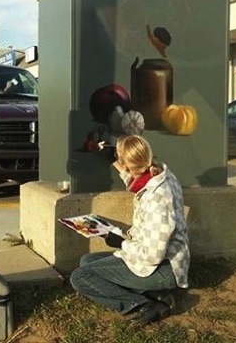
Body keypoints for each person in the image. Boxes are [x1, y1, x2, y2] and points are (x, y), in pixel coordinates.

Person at [70, 135, 190, 326]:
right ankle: (157, 294)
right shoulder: (159, 174)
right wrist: (116, 161)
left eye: (120, 157)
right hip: (152, 259)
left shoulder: (157, 201)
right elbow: (137, 181)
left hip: (163, 268)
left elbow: (153, 257)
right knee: (87, 261)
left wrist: (121, 243)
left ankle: (143, 304)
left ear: (129, 165)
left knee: (80, 276)